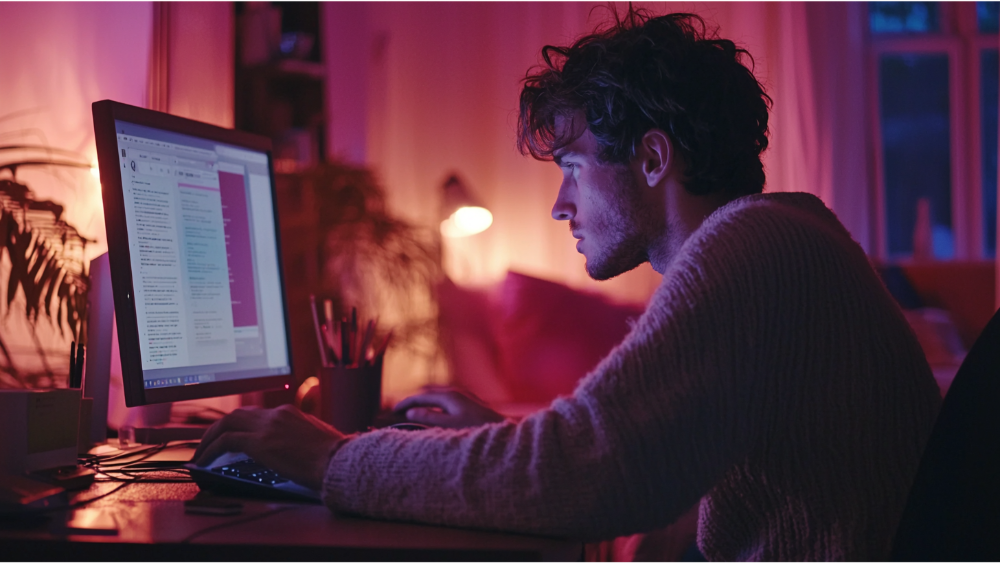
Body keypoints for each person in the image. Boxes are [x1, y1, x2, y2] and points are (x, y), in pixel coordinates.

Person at [195, 8, 941, 562]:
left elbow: (590, 469)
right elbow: (628, 459)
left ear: (652, 159)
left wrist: (327, 459)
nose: (559, 204)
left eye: (574, 167)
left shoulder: (755, 251)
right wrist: (506, 444)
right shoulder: (784, 239)